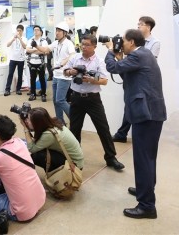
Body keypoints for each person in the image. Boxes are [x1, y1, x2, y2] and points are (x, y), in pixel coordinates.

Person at [104, 29, 166, 219]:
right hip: (151, 114)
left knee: (143, 159)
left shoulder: (138, 55)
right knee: (148, 158)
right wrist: (120, 57)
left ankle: (147, 206)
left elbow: (113, 68)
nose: (120, 44)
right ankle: (144, 190)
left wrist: (110, 51)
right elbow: (128, 75)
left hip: (146, 115)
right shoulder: (143, 54)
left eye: (123, 41)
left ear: (131, 42)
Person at [63, 34, 124, 171]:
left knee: (103, 128)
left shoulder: (99, 61)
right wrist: (71, 71)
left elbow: (104, 80)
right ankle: (75, 158)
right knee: (74, 129)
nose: (83, 47)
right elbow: (65, 71)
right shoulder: (75, 58)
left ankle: (111, 158)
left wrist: (91, 79)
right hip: (76, 98)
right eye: (82, 44)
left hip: (93, 99)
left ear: (94, 46)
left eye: (87, 45)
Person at [112, 16, 160, 143]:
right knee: (131, 107)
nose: (138, 26)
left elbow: (145, 61)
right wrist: (122, 59)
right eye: (138, 24)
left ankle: (122, 133)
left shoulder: (153, 44)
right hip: (133, 79)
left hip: (143, 82)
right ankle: (122, 134)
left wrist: (112, 51)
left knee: (137, 110)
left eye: (141, 24)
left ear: (148, 27)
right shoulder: (136, 49)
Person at [36, 22, 75, 124]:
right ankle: (60, 121)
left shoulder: (68, 43)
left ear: (65, 33)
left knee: (60, 100)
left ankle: (75, 119)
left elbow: (73, 55)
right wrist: (36, 46)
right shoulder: (56, 43)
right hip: (56, 75)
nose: (57, 33)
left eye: (59, 31)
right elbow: (45, 49)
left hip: (64, 76)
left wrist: (64, 62)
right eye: (56, 30)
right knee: (55, 100)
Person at [21, 107, 84, 171]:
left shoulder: (49, 134)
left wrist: (26, 129)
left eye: (29, 119)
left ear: (37, 123)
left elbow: (31, 148)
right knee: (39, 147)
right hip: (76, 159)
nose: (26, 121)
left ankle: (57, 173)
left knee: (37, 155)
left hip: (74, 165)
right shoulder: (53, 123)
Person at [4, 25, 27, 96]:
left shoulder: (24, 38)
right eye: (17, 30)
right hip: (12, 59)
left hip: (21, 59)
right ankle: (7, 90)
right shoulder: (12, 37)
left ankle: (18, 89)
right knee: (10, 74)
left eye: (20, 30)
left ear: (22, 31)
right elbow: (7, 45)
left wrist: (20, 39)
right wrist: (13, 39)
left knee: (20, 75)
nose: (18, 32)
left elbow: (25, 46)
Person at [25, 25, 47, 102]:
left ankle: (43, 94)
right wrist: (37, 50)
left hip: (40, 63)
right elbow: (27, 50)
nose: (36, 31)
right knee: (32, 79)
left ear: (41, 32)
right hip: (31, 62)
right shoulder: (30, 40)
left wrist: (33, 50)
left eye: (37, 30)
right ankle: (33, 94)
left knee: (42, 79)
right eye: (34, 30)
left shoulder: (43, 41)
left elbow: (44, 51)